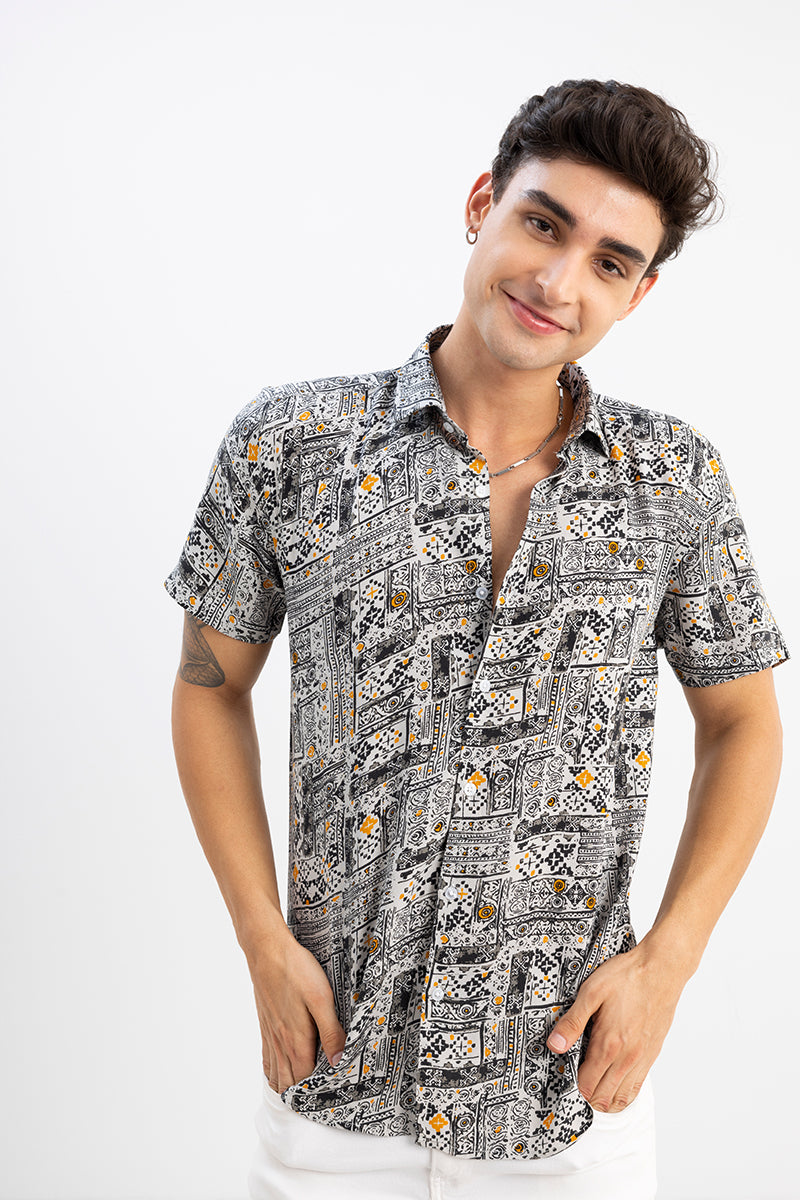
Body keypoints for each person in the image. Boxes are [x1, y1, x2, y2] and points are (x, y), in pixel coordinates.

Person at [164, 79, 788, 1199]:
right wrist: (260, 938)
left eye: (609, 262)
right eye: (543, 223)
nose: (558, 282)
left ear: (637, 294)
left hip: (566, 1102)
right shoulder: (292, 444)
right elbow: (209, 683)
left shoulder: (673, 480)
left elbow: (742, 722)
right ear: (481, 204)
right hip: (333, 1088)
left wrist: (670, 961)